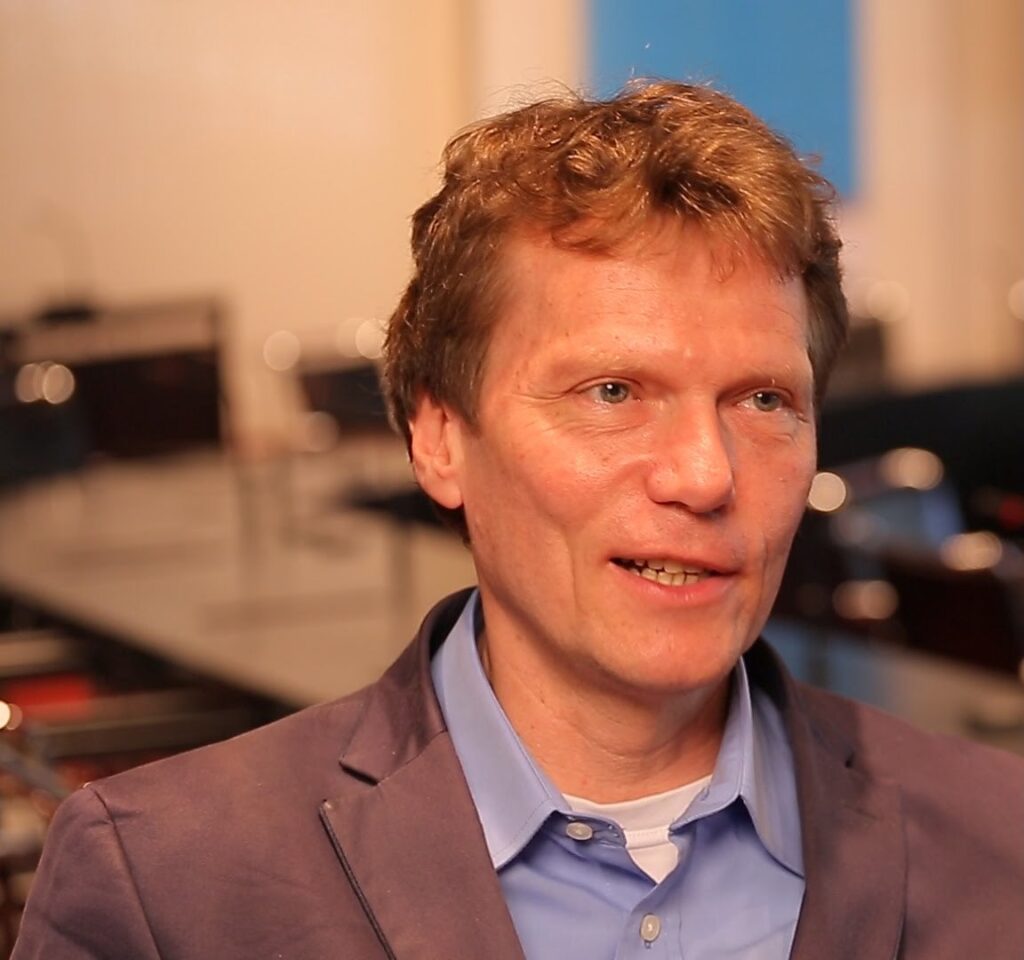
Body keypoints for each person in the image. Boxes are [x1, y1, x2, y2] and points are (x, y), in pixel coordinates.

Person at [12, 81, 1024, 960]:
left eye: (763, 400)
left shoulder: (1001, 845)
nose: (704, 474)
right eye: (613, 392)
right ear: (440, 437)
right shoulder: (166, 889)